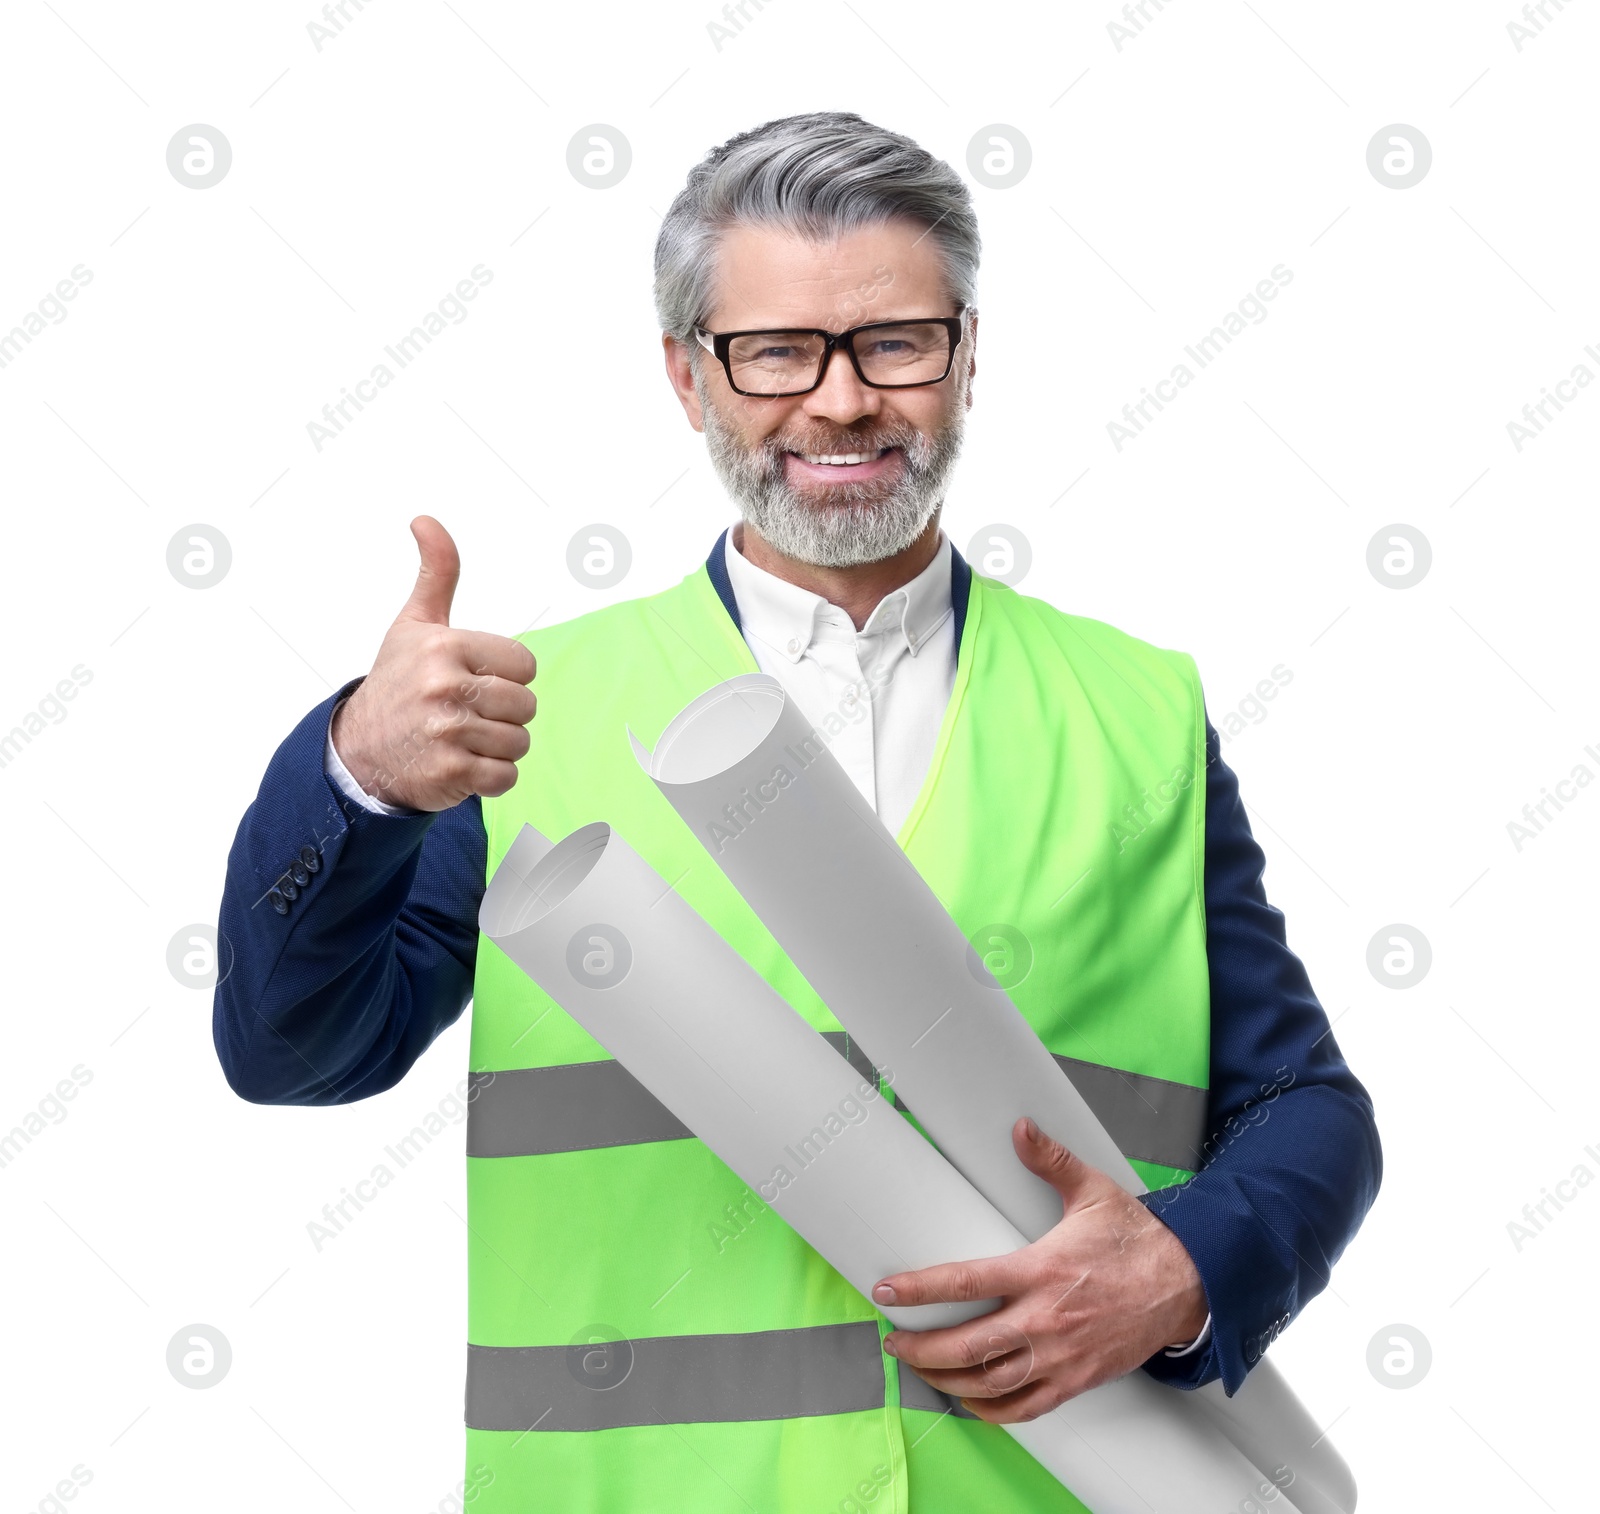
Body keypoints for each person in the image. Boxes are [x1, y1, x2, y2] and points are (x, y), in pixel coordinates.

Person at [214, 111, 1380, 1512]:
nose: (839, 403)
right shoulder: (533, 713)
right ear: (685, 376)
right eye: (774, 351)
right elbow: (294, 1049)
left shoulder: (1130, 707)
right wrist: (362, 773)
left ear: (964, 356)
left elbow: (1303, 1103)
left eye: (893, 341)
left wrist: (1187, 1267)